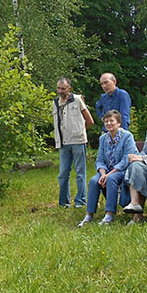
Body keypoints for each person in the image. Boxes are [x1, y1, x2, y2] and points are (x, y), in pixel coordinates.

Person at [78, 111, 136, 227]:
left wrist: (108, 175)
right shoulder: (103, 139)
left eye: (111, 121)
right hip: (107, 171)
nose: (109, 123)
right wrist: (103, 173)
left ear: (119, 123)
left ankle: (109, 213)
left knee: (111, 179)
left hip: (123, 170)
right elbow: (100, 160)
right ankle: (89, 215)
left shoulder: (127, 136)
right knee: (94, 181)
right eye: (106, 121)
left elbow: (126, 160)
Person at [53, 78, 95, 208]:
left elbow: (90, 121)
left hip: (78, 142)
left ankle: (80, 202)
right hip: (63, 143)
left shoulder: (77, 100)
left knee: (80, 173)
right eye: (59, 88)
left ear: (69, 88)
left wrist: (80, 132)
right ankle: (64, 203)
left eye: (63, 88)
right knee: (63, 174)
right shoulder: (55, 103)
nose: (61, 91)